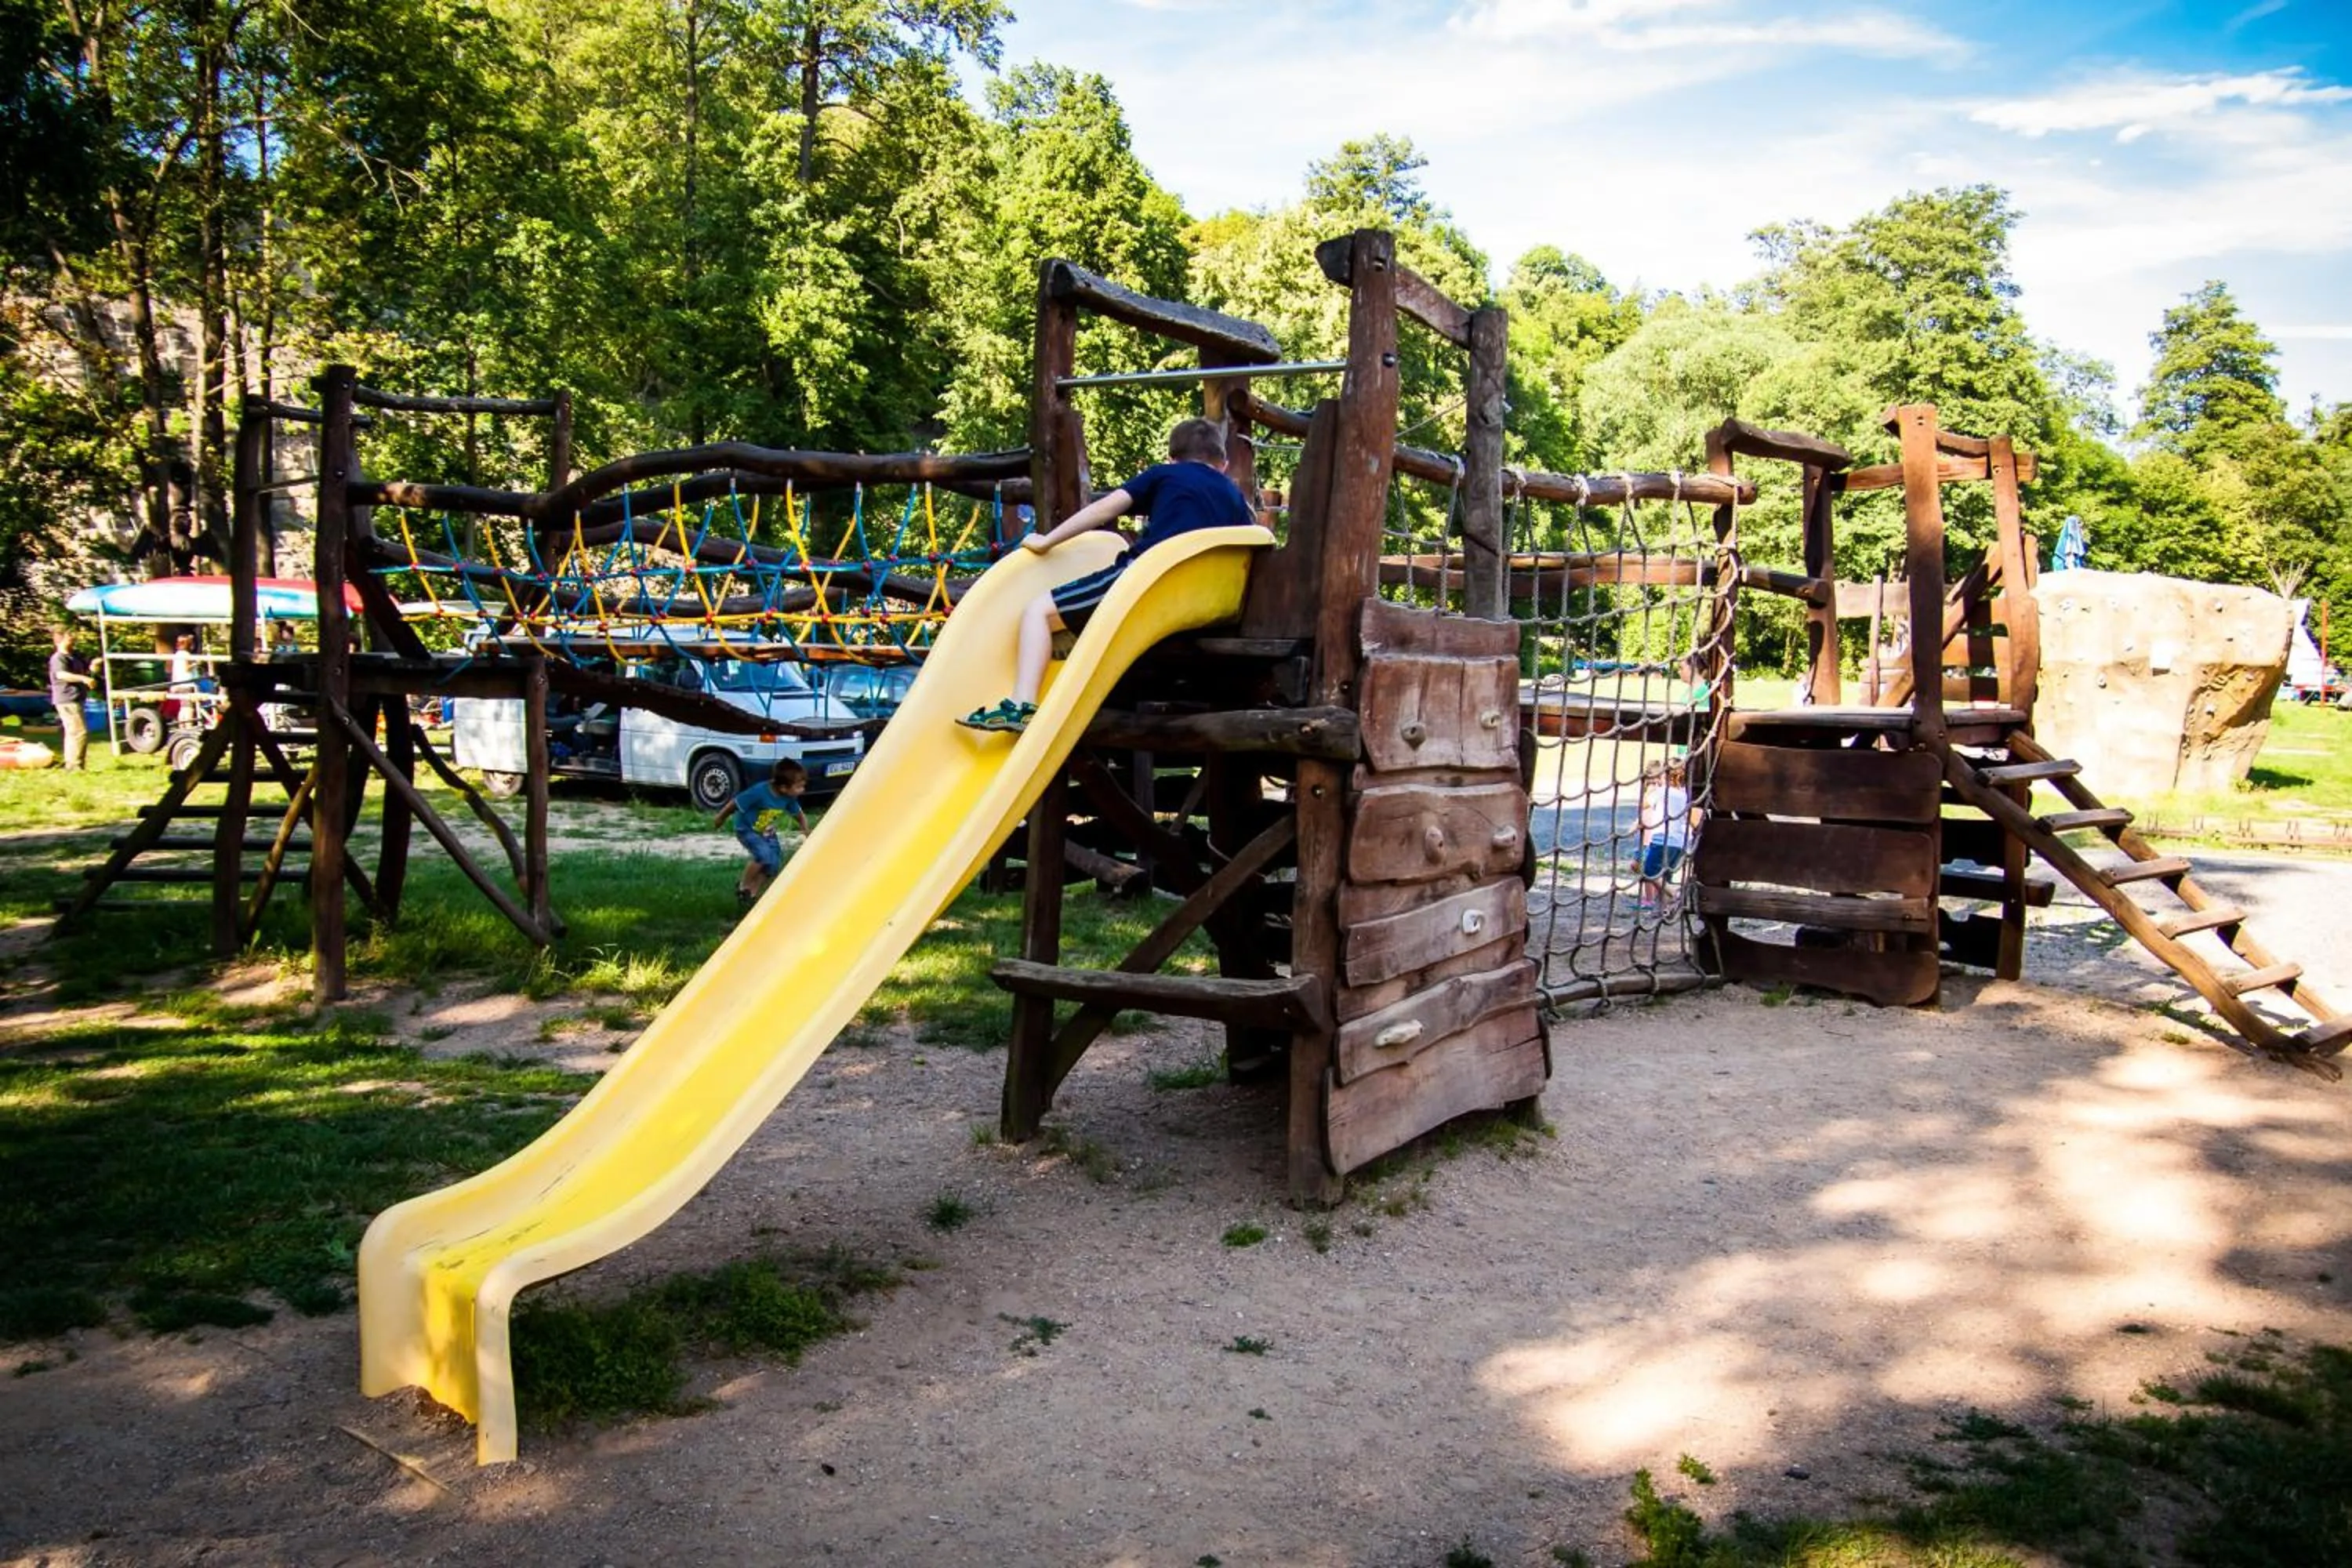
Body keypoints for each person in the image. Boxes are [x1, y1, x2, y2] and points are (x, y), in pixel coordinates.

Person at [959, 417, 1255, 732]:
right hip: (1201, 602)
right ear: (1222, 464)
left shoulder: (1163, 474)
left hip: (1147, 581)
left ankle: (1021, 705)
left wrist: (1047, 541)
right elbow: (1252, 541)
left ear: (1172, 457)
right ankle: (1073, 634)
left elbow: (1104, 510)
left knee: (1038, 612)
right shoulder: (1236, 497)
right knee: (1084, 610)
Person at [717, 757, 808, 904]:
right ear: (784, 787)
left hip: (767, 833)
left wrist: (806, 831)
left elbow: (799, 815)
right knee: (764, 856)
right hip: (747, 829)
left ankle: (751, 894)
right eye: (799, 787)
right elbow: (735, 803)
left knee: (773, 865)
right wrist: (720, 818)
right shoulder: (759, 791)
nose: (802, 791)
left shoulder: (788, 797)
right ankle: (743, 887)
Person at [1635, 757, 1696, 910]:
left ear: (1665, 775)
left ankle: (1673, 892)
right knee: (1665, 875)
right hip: (1679, 842)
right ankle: (1661, 909)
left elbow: (1642, 805)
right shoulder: (1684, 795)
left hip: (1662, 840)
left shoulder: (1661, 792)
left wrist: (1649, 789)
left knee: (1647, 869)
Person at [47, 626, 93, 771]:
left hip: (76, 698)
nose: (72, 638)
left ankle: (71, 765)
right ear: (60, 639)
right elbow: (61, 675)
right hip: (67, 698)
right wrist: (83, 679)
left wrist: (94, 667)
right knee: (80, 732)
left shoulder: (73, 657)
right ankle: (76, 766)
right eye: (69, 635)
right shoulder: (58, 658)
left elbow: (87, 671)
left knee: (72, 732)